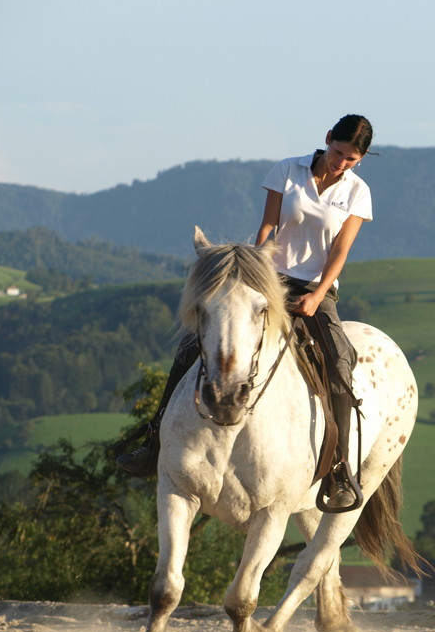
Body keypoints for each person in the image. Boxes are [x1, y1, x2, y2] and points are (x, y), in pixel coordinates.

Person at [117, 114, 375, 512]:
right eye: (339, 153)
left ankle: (340, 469)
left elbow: (340, 252)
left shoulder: (358, 192)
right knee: (190, 348)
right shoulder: (287, 170)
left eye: (352, 159)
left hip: (314, 289)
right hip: (266, 274)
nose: (342, 163)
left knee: (340, 361)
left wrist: (316, 296)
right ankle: (153, 441)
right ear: (327, 140)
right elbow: (268, 227)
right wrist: (255, 277)